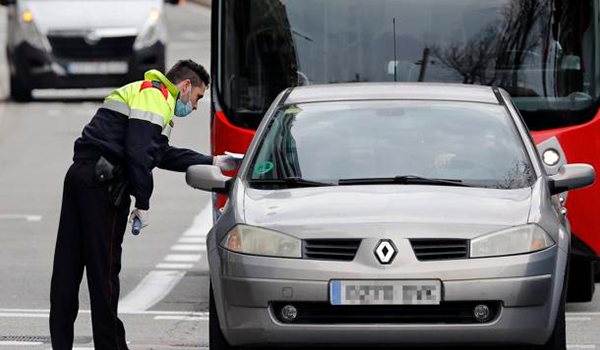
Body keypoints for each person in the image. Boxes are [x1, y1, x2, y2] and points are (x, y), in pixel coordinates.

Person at [49, 59, 237, 350]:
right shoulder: (157, 98)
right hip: (104, 185)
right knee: (105, 273)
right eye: (198, 97)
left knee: (68, 266)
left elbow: (159, 153)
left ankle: (61, 344)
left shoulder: (139, 90)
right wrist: (143, 201)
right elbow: (138, 152)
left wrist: (212, 160)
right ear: (185, 86)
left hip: (80, 175)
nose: (195, 106)